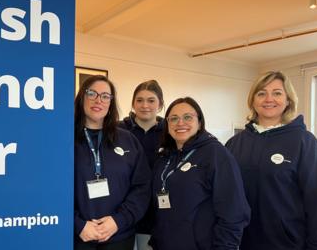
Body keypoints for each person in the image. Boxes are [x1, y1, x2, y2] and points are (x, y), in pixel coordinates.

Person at [225, 71, 317, 250]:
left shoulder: (304, 142)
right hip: (241, 243)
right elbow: (225, 197)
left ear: (288, 100)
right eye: (261, 93)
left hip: (289, 244)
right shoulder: (234, 144)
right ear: (252, 100)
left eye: (277, 93)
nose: (269, 99)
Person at [150, 97, 250, 250]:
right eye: (173, 118)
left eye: (188, 117)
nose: (180, 123)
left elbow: (233, 210)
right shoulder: (165, 157)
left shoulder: (216, 154)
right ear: (167, 124)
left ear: (200, 122)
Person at [74, 75, 151, 250]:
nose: (98, 100)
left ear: (111, 102)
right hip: (77, 237)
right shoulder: (64, 138)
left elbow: (142, 187)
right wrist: (77, 224)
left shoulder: (127, 140)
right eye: (92, 93)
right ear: (81, 98)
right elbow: (51, 189)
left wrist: (119, 220)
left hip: (120, 235)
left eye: (105, 96)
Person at [118, 80, 165, 250]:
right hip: (122, 213)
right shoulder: (117, 131)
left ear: (160, 104)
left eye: (151, 100)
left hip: (157, 216)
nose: (145, 105)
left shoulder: (171, 133)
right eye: (139, 100)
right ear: (133, 103)